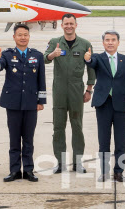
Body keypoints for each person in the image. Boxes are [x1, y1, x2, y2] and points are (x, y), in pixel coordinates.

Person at [0, 24, 46, 182]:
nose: (23, 37)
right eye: (20, 35)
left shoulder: (37, 55)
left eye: (26, 35)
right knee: (14, 139)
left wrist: (41, 101)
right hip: (13, 103)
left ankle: (28, 170)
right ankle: (14, 170)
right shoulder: (8, 55)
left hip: (31, 103)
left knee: (28, 139)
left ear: (29, 37)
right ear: (14, 37)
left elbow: (41, 80)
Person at [43, 13, 95, 174]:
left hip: (76, 90)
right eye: (66, 24)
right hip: (59, 90)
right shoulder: (54, 43)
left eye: (71, 23)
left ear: (76, 25)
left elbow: (91, 68)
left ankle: (78, 162)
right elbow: (45, 58)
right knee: (58, 127)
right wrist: (53, 55)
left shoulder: (85, 44)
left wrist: (89, 89)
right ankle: (60, 162)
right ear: (62, 25)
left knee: (77, 126)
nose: (69, 26)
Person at [84, 30, 125, 182]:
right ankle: (104, 172)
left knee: (120, 141)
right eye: (107, 40)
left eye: (113, 40)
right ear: (103, 42)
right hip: (103, 104)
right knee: (103, 141)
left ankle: (119, 172)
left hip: (121, 105)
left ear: (118, 42)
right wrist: (87, 59)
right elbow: (90, 63)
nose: (110, 42)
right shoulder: (97, 58)